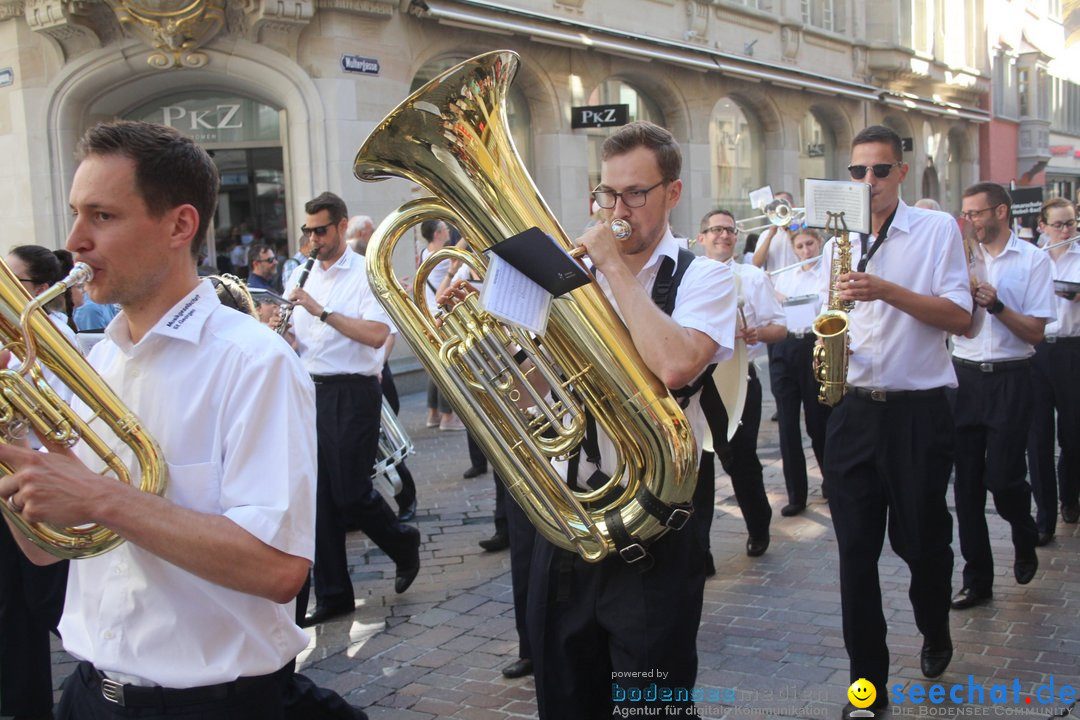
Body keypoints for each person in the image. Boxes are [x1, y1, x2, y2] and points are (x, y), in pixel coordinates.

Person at [0, 120, 317, 720]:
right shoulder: (96, 362)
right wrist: (10, 440)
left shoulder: (254, 362)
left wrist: (102, 498)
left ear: (179, 226)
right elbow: (47, 552)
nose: (74, 240)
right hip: (91, 694)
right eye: (75, 214)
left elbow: (279, 570)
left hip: (215, 706)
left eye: (102, 216)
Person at [525, 121, 735, 718]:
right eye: (608, 195)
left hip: (657, 517)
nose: (619, 211)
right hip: (570, 512)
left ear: (672, 194)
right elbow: (531, 392)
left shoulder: (706, 277)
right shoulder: (568, 280)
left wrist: (613, 269)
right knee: (564, 694)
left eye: (636, 194)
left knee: (651, 703)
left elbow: (674, 365)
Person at [822, 125, 972, 719]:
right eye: (858, 172)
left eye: (880, 171)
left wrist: (885, 290)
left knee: (924, 545)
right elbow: (827, 312)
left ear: (901, 174)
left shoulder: (935, 230)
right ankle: (868, 690)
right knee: (855, 557)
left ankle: (935, 627)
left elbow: (960, 317)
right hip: (853, 411)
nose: (869, 182)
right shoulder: (839, 233)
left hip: (918, 413)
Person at [283, 192, 421, 627]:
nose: (313, 240)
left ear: (342, 227)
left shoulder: (365, 273)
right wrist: (284, 335)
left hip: (353, 390)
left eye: (320, 230)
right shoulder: (301, 273)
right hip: (310, 390)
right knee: (318, 498)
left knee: (349, 492)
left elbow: (377, 334)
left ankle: (403, 542)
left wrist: (321, 312)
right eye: (308, 231)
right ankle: (334, 593)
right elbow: (302, 340)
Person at [950, 181, 1054, 612]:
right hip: (964, 376)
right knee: (967, 489)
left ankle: (1024, 532)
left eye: (976, 213)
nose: (970, 220)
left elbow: (1036, 332)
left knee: (1004, 479)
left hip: (1013, 376)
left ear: (1001, 212)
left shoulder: (1033, 259)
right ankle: (978, 580)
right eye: (966, 213)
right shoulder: (960, 259)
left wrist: (996, 306)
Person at [0, 245, 79, 720]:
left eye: (12, 282)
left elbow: (70, 427)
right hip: (8, 489)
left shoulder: (59, 345)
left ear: (41, 291)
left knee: (54, 604)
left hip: (44, 489)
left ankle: (106, 677)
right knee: (10, 609)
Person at [695, 208, 786, 567]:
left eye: (730, 231)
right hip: (698, 383)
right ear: (701, 237)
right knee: (698, 467)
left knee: (742, 461)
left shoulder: (752, 276)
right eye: (715, 229)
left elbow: (779, 327)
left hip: (740, 381)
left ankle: (758, 527)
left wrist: (757, 333)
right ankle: (700, 549)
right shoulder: (690, 274)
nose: (724, 236)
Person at [346, 214, 418, 523]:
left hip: (375, 373)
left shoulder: (370, 282)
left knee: (385, 442)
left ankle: (406, 499)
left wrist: (378, 365)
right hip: (350, 377)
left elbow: (389, 331)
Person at [1026, 198, 1080, 542]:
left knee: (1073, 435)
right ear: (1042, 226)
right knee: (1037, 438)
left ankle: (1069, 497)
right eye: (1058, 225)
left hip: (1074, 350)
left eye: (1071, 223)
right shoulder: (1032, 259)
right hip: (1037, 349)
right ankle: (1044, 517)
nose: (1066, 230)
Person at [770, 228, 831, 516]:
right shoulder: (785, 275)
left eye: (810, 244)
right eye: (800, 246)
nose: (806, 250)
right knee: (787, 425)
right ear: (793, 249)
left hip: (812, 345)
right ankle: (796, 494)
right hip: (784, 347)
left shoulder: (826, 275)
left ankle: (831, 482)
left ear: (818, 244)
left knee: (818, 422)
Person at [419, 219, 464, 431]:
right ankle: (447, 417)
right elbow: (461, 251)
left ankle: (433, 414)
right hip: (441, 315)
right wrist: (468, 230)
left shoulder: (424, 254)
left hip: (428, 314)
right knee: (448, 366)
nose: (448, 230)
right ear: (437, 234)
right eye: (445, 228)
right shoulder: (443, 258)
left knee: (435, 368)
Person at [750, 190, 798, 270]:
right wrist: (770, 236)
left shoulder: (802, 231)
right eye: (775, 205)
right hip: (774, 281)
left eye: (783, 204)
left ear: (793, 207)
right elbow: (756, 264)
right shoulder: (766, 234)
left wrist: (790, 231)